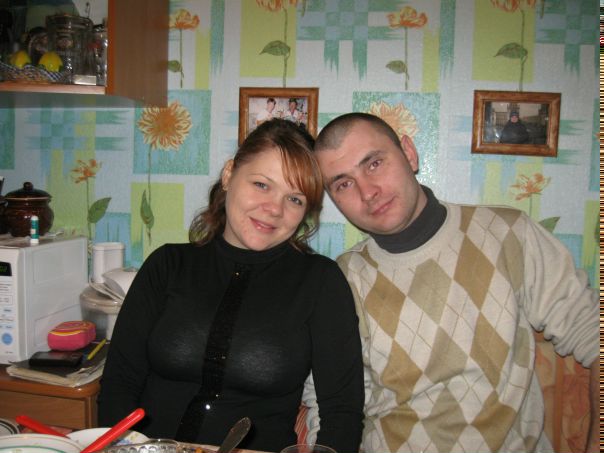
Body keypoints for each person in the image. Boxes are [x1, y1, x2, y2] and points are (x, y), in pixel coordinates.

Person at [306, 112, 599, 453]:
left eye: (374, 164)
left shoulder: (508, 234)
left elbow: (592, 332)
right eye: (343, 184)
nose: (368, 192)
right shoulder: (343, 279)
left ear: (409, 153)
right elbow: (328, 401)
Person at [98, 119, 365, 453]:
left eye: (295, 199)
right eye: (262, 184)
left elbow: (342, 412)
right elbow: (119, 383)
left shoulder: (320, 282)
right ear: (229, 174)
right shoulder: (166, 265)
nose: (274, 209)